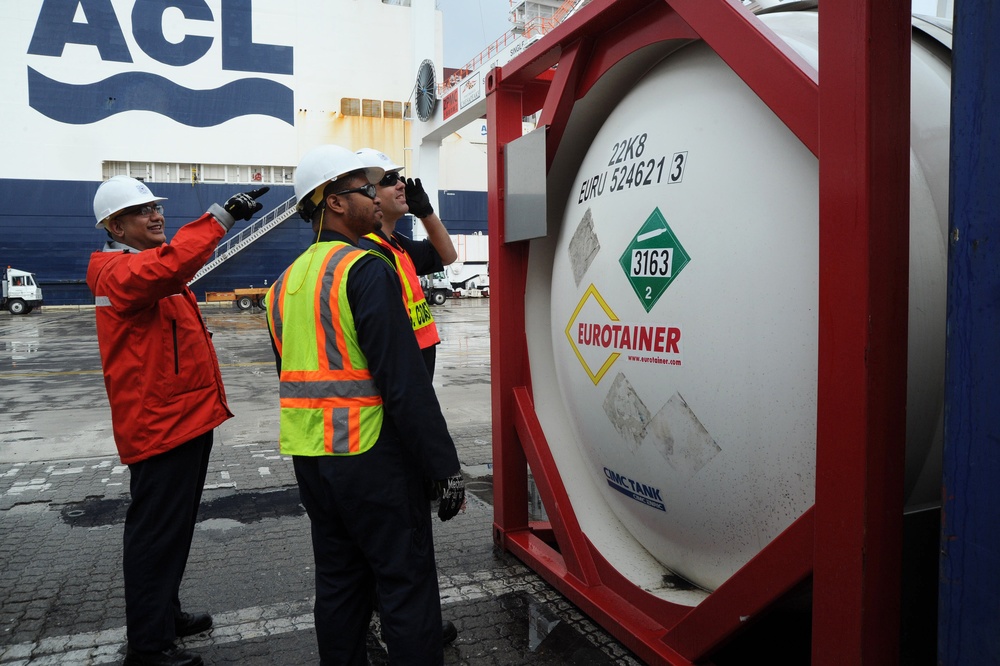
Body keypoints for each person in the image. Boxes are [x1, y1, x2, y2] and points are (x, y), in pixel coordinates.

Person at [263, 145, 465, 665]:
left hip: (312, 460)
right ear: (332, 203)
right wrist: (443, 465)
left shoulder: (283, 285)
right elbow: (403, 382)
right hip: (372, 457)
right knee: (405, 585)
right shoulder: (364, 268)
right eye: (363, 189)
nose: (375, 195)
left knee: (339, 586)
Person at [87, 176, 268, 666]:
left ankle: (164, 617)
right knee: (155, 536)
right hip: (160, 428)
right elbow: (172, 266)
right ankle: (147, 648)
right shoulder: (116, 272)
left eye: (156, 207)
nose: (155, 215)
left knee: (173, 530)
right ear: (115, 227)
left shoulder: (140, 267)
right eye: (140, 211)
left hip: (181, 421)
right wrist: (220, 218)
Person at [355, 148, 457, 378]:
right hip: (401, 371)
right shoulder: (368, 251)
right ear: (369, 194)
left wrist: (426, 212)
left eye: (399, 178)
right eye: (390, 180)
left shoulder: (396, 243)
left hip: (416, 364)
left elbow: (447, 256)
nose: (402, 184)